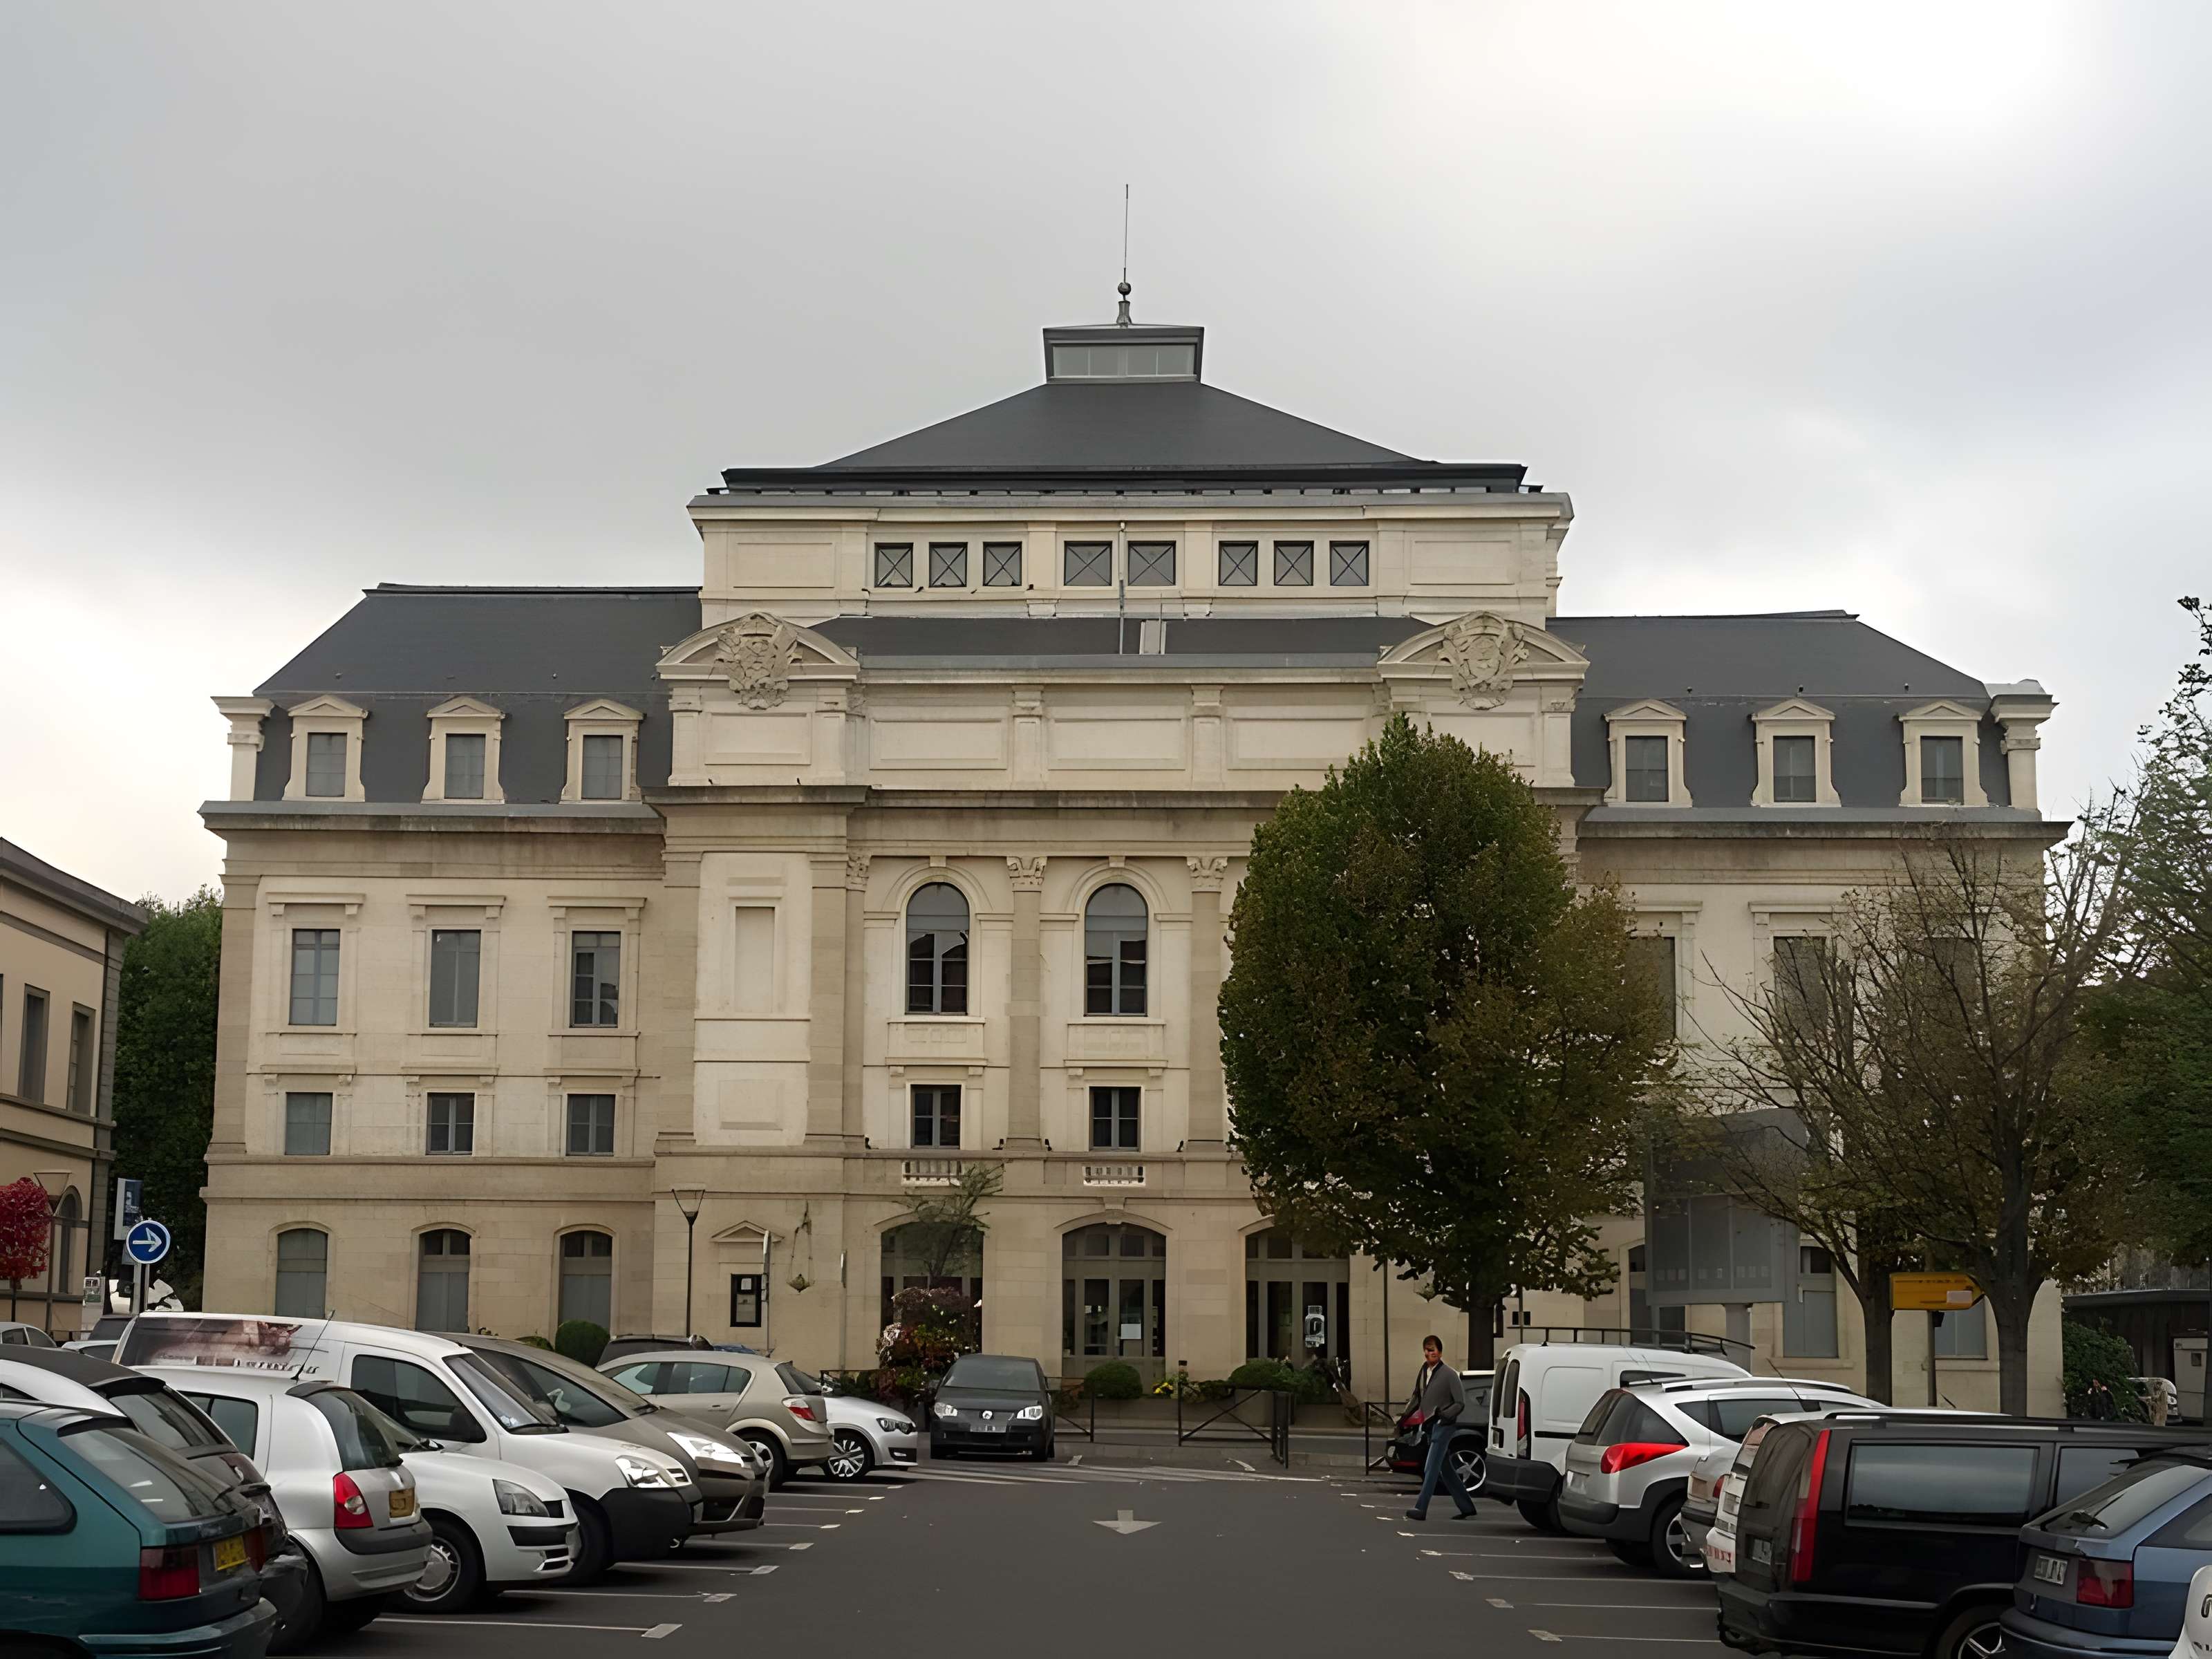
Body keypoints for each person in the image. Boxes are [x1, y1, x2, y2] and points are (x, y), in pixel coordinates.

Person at [1403, 1333, 1478, 1522]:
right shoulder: (1423, 1371)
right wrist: (1405, 1417)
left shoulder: (1450, 1374)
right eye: (1427, 1350)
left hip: (1443, 1426)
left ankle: (1421, 1509)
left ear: (1440, 1352)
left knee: (1431, 1468)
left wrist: (1444, 1415)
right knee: (1446, 1469)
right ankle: (1467, 1506)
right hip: (1428, 1426)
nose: (1430, 1353)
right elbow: (1417, 1396)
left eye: (1433, 1350)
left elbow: (1460, 1403)